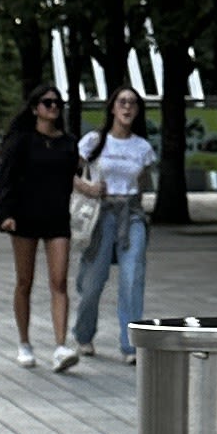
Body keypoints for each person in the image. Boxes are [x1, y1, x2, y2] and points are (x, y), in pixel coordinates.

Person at [58, 87, 157, 368]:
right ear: (112, 108)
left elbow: (145, 183)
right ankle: (83, 333)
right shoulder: (94, 141)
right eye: (122, 102)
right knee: (92, 281)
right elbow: (69, 172)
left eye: (133, 104)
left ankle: (130, 344)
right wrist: (87, 187)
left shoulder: (142, 147)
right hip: (100, 214)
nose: (127, 107)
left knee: (132, 276)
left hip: (131, 214)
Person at [0, 83, 77, 366]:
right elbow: (5, 179)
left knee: (59, 281)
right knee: (24, 281)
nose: (53, 107)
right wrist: (5, 213)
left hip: (57, 218)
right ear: (34, 108)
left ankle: (61, 346)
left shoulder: (67, 143)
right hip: (25, 216)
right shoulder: (22, 141)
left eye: (57, 103)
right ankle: (24, 342)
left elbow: (71, 180)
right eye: (47, 102)